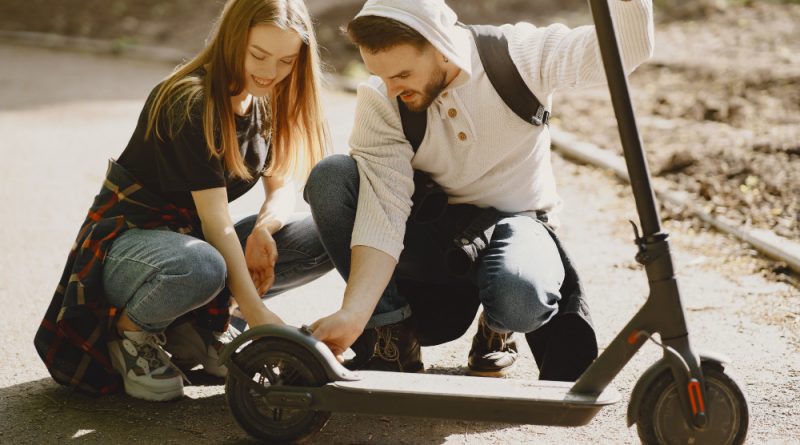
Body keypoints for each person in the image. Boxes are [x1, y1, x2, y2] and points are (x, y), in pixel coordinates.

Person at [303, 0, 654, 377]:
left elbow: (625, 48)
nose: (390, 90)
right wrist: (356, 316)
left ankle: (498, 328)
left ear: (441, 45)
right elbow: (383, 211)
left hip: (517, 223)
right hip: (433, 235)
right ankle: (393, 335)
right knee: (332, 178)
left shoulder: (519, 56)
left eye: (402, 74)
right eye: (381, 76)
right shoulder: (382, 100)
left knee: (520, 295)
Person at [34, 0, 332, 401]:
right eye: (258, 55)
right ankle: (132, 332)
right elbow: (216, 222)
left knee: (322, 232)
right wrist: (257, 315)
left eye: (285, 61)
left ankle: (196, 328)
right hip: (129, 250)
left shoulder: (267, 98)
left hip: (189, 246)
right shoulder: (190, 99)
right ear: (232, 41)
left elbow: (281, 187)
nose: (270, 72)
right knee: (203, 264)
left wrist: (265, 228)